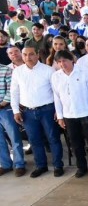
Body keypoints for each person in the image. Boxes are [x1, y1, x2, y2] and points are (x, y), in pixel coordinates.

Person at [10, 46, 64, 178]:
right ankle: (41, 166)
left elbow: (57, 92)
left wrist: (58, 110)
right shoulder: (18, 72)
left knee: (53, 139)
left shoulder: (48, 70)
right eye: (25, 55)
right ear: (22, 56)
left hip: (47, 110)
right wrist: (16, 110)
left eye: (31, 54)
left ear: (37, 55)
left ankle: (58, 165)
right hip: (27, 112)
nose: (28, 57)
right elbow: (14, 92)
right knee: (34, 141)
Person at [51, 51, 88, 178]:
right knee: (75, 143)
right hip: (69, 115)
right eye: (59, 62)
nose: (62, 64)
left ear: (72, 60)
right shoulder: (56, 76)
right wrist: (60, 117)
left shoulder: (84, 72)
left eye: (65, 61)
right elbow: (57, 98)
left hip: (85, 112)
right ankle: (81, 167)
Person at [0, 63, 26, 176]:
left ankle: (19, 164)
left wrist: (2, 104)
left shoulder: (6, 70)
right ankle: (6, 165)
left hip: (5, 109)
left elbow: (11, 91)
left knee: (14, 138)